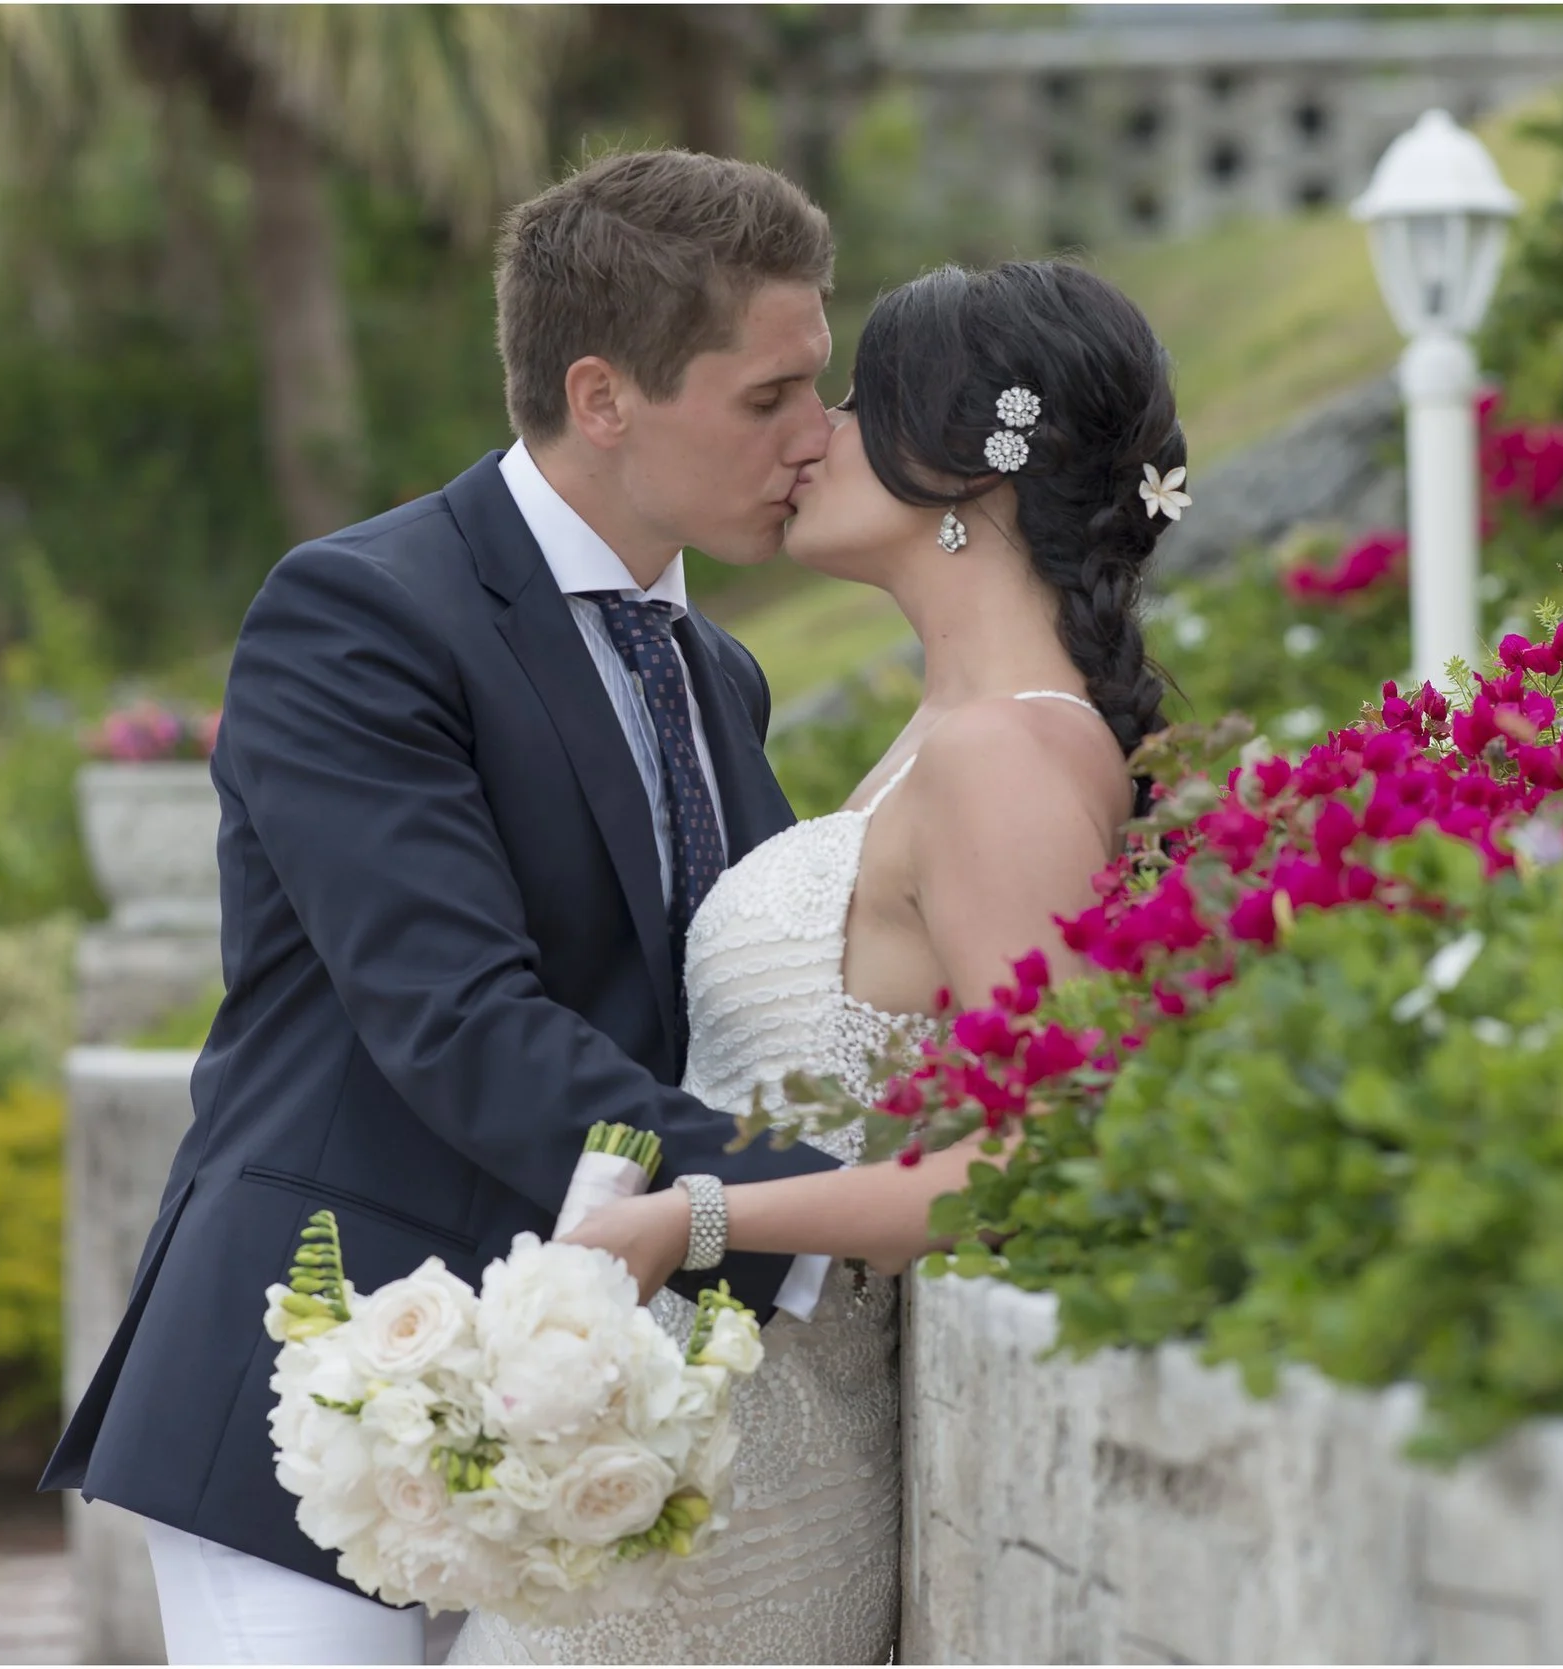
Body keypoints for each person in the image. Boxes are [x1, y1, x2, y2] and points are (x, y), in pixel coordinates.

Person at [39, 149, 865, 1666]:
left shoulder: (715, 673)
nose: (818, 435)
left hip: (600, 1416)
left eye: (818, 383)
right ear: (602, 397)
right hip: (326, 1375)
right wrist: (822, 1213)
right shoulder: (361, 615)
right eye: (770, 397)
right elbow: (457, 1019)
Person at [450, 257, 1188, 1665]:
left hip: (757, 1488)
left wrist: (690, 1222)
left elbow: (1038, 1155)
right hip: (691, 1447)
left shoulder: (1007, 755)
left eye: (853, 401)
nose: (813, 436)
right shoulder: (946, 736)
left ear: (966, 469)